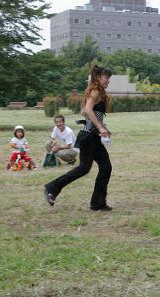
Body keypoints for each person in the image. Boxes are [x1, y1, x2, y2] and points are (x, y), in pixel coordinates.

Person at [44, 65, 113, 211]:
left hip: (93, 136)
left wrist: (99, 124)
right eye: (107, 78)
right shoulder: (94, 91)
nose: (108, 81)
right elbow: (87, 110)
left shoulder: (96, 92)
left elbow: (85, 112)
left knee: (105, 167)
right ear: (99, 77)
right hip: (88, 137)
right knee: (83, 168)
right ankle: (52, 187)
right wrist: (99, 127)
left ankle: (97, 203)